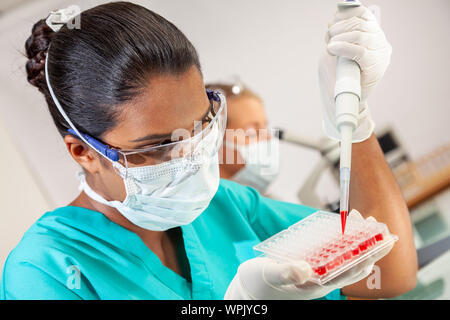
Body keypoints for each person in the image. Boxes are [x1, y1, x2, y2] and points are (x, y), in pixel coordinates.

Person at [0, 2, 417, 300]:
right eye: (160, 147)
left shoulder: (224, 206)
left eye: (201, 126)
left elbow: (387, 273)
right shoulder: (46, 272)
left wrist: (354, 120)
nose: (190, 159)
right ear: (83, 152)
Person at [205, 82, 279, 195]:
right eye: (252, 131)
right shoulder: (196, 209)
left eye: (265, 127)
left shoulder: (262, 205)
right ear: (212, 139)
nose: (268, 138)